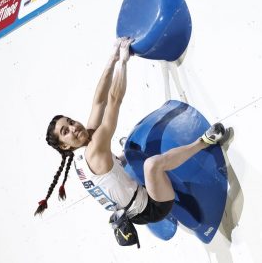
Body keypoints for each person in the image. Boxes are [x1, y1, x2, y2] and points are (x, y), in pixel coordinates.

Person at [34, 37, 229, 226]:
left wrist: (112, 59)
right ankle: (205, 141)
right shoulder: (93, 149)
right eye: (66, 131)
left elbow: (99, 102)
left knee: (129, 149)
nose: (74, 127)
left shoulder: (80, 151)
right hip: (152, 209)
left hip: (129, 203)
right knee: (151, 165)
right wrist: (124, 62)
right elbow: (113, 101)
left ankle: (122, 158)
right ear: (65, 145)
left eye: (70, 121)